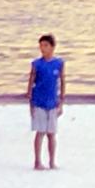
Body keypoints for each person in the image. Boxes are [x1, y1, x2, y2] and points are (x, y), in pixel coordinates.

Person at [27, 33, 65, 170]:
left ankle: (52, 162)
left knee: (51, 134)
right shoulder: (37, 64)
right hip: (39, 102)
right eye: (41, 46)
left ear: (52, 47)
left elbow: (62, 82)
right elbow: (31, 84)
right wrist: (31, 104)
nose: (43, 48)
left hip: (53, 102)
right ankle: (37, 161)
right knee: (40, 132)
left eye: (45, 45)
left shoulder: (59, 63)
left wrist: (61, 102)